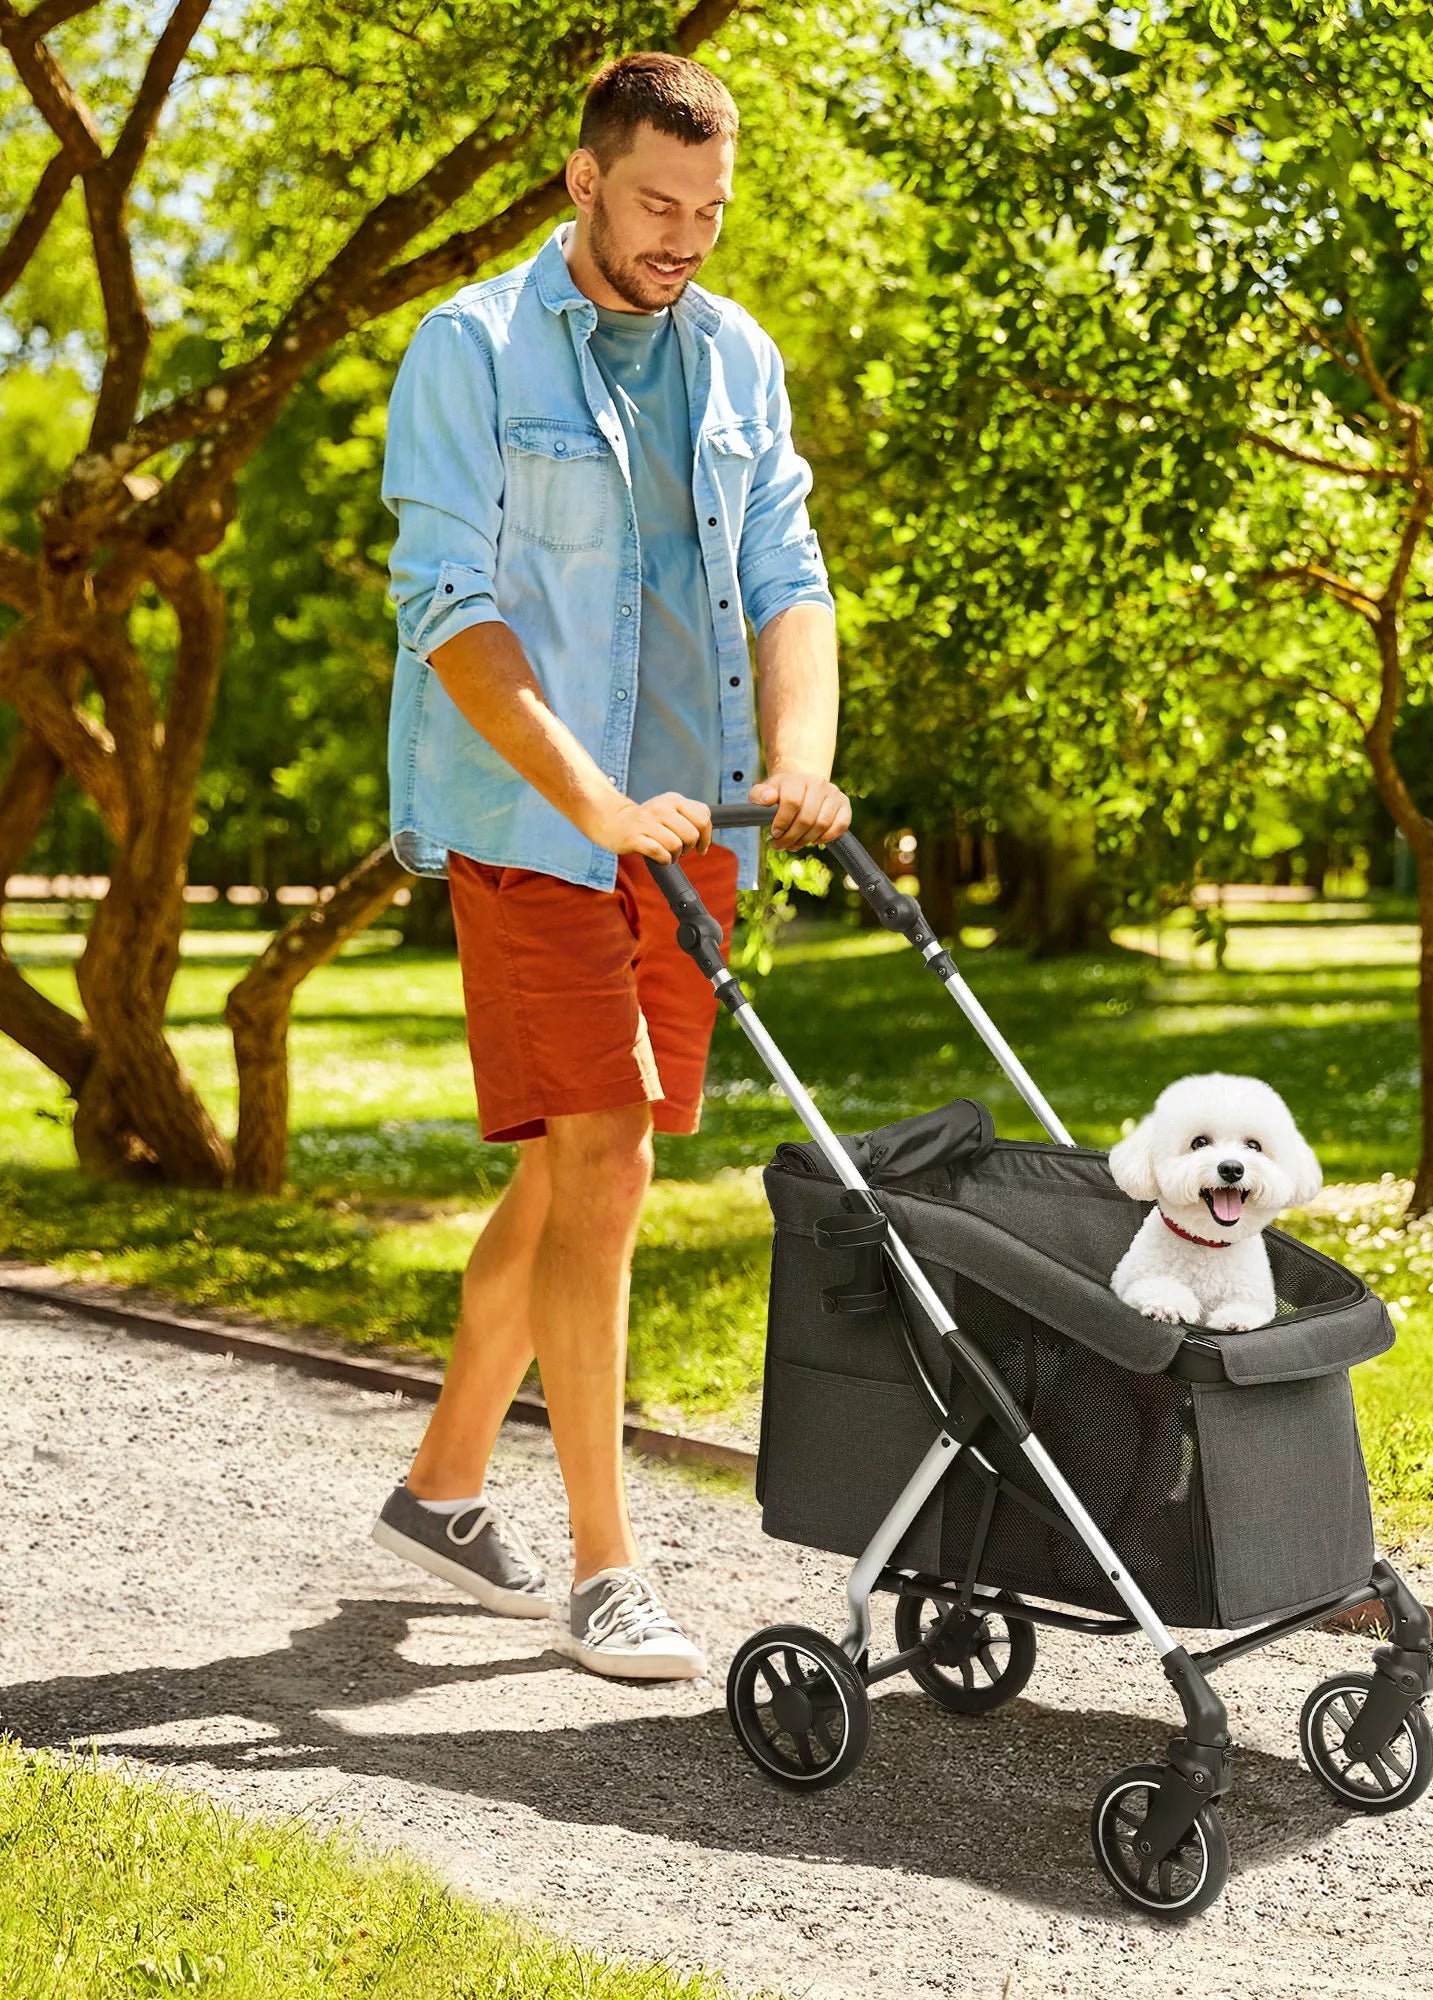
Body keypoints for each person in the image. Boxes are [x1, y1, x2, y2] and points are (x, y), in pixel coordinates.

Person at [369, 50, 850, 1680]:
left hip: (690, 832)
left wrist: (798, 757)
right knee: (612, 1166)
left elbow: (790, 573)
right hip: (533, 829)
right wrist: (587, 802)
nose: (686, 239)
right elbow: (450, 609)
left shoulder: (734, 360)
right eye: (659, 204)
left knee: (577, 1162)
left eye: (711, 213)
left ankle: (441, 1491)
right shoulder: (474, 350)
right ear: (583, 179)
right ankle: (605, 1563)